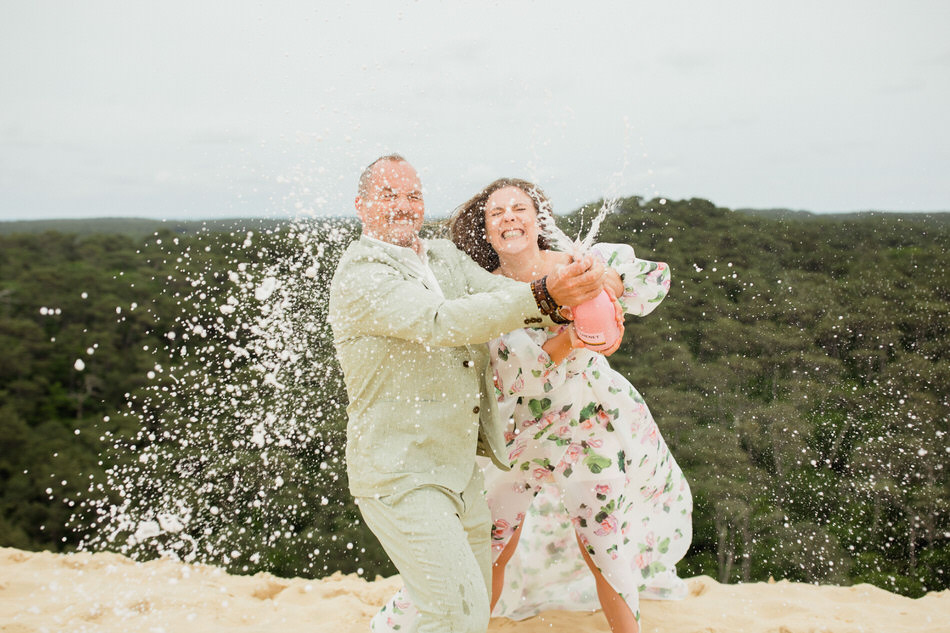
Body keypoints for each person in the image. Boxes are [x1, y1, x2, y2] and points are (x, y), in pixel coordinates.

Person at [375, 178, 692, 633]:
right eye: (496, 212)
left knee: (603, 543)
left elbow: (652, 282)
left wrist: (608, 282)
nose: (508, 217)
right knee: (491, 544)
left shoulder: (579, 262)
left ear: (536, 218)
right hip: (521, 429)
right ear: (486, 231)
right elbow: (517, 377)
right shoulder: (486, 297)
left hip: (589, 420)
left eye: (518, 208)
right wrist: (569, 340)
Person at [328, 157, 610, 633]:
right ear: (360, 206)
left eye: (413, 195)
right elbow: (441, 322)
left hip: (460, 472)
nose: (404, 206)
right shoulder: (362, 276)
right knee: (453, 616)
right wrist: (545, 295)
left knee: (471, 615)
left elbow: (500, 292)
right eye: (388, 195)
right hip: (402, 474)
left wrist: (575, 302)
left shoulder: (442, 256)